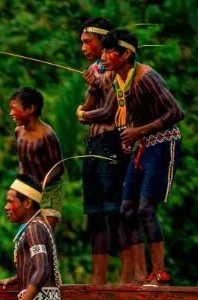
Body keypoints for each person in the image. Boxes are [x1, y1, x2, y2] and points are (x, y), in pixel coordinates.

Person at [101, 28, 185, 286]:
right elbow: (125, 115)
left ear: (126, 54)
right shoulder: (119, 80)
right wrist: (130, 137)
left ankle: (160, 273)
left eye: (108, 51)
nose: (102, 56)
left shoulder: (147, 78)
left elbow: (175, 112)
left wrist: (139, 131)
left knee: (146, 208)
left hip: (163, 143)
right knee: (127, 210)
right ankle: (139, 275)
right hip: (143, 147)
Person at [77, 18, 129, 284]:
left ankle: (126, 275)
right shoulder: (95, 70)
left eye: (88, 42)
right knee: (94, 211)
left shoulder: (118, 70)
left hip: (110, 142)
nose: (84, 47)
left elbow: (109, 110)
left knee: (113, 209)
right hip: (93, 144)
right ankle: (98, 278)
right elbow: (88, 105)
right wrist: (92, 87)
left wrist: (86, 113)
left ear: (104, 42)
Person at [9, 87, 64, 229]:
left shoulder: (47, 134)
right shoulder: (18, 132)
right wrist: (20, 185)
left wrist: (41, 184)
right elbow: (22, 162)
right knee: (27, 232)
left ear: (31, 109)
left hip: (49, 190)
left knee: (45, 232)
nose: (11, 113)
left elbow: (58, 168)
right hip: (28, 190)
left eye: (15, 109)